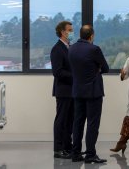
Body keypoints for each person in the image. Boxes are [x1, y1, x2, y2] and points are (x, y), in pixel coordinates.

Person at [68, 25, 109, 163]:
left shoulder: (71, 48)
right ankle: (90, 154)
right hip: (93, 92)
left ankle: (76, 153)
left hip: (77, 92)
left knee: (78, 122)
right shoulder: (94, 49)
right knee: (92, 124)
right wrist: (96, 69)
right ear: (91, 35)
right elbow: (106, 68)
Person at [50, 21, 75, 159]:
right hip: (63, 90)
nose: (72, 32)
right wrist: (75, 76)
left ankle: (67, 147)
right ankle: (58, 149)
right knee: (61, 120)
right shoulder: (57, 49)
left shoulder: (69, 47)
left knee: (70, 120)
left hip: (72, 91)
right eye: (69, 30)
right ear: (62, 32)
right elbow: (58, 72)